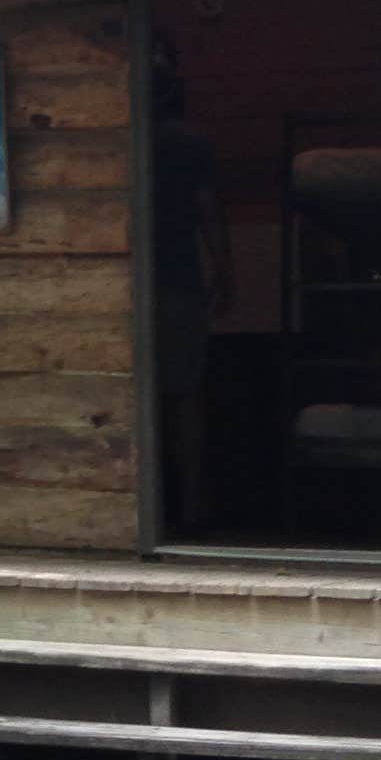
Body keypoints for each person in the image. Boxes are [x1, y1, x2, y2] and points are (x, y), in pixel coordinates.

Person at [150, 35, 236, 532]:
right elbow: (210, 213)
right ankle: (189, 508)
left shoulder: (158, 141)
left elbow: (208, 212)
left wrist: (224, 271)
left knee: (174, 397)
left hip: (169, 280)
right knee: (184, 398)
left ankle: (179, 508)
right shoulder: (188, 143)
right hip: (178, 280)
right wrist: (225, 272)